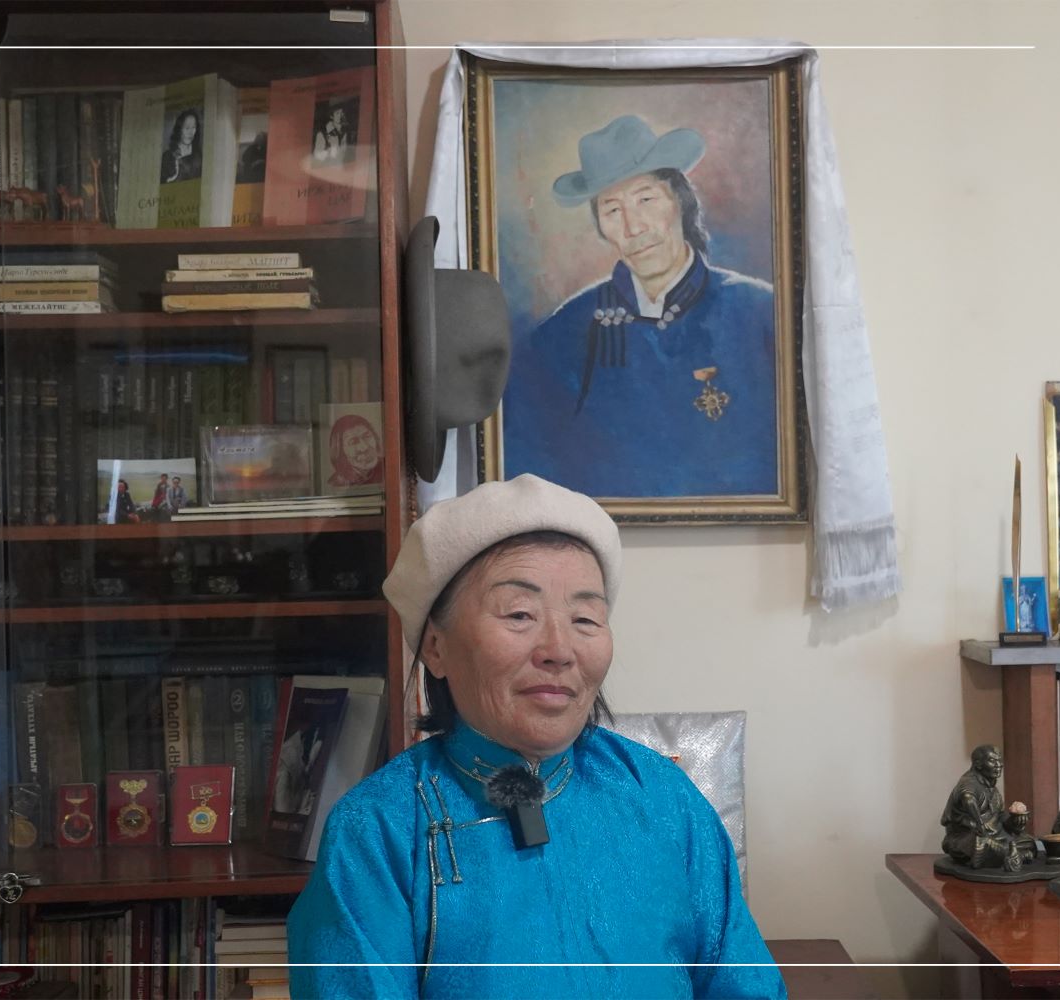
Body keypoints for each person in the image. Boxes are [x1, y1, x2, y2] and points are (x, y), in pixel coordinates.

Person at [287, 474, 784, 998]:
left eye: (585, 618)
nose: (559, 650)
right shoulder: (376, 829)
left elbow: (745, 985)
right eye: (519, 614)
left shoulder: (663, 798)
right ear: (436, 647)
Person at [503, 115, 779, 498]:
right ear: (601, 227)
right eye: (612, 210)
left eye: (646, 200)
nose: (634, 227)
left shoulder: (761, 312)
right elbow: (528, 469)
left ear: (680, 202)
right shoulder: (564, 333)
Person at [939, 744, 1021, 871]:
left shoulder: (993, 789)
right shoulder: (968, 782)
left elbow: (999, 816)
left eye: (999, 760)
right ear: (978, 764)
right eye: (992, 761)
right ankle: (1012, 854)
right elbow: (968, 797)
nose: (999, 765)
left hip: (995, 835)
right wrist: (980, 825)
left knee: (1027, 841)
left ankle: (1010, 853)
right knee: (983, 844)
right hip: (966, 837)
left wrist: (1015, 821)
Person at [325, 414, 383, 488]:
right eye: (353, 442)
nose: (364, 447)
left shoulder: (387, 468)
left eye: (367, 436)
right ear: (341, 451)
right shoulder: (336, 484)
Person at [160, 109, 201, 185]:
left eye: (193, 127)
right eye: (187, 128)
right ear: (179, 129)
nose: (190, 133)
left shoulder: (199, 154)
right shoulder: (167, 157)